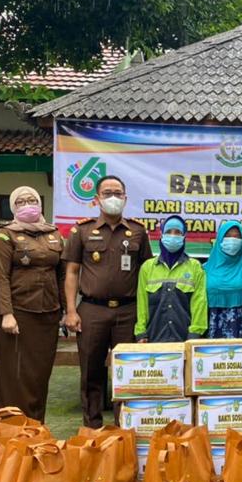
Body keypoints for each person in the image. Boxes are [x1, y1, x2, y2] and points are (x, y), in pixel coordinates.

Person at [62, 175, 152, 428]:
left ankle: (125, 426)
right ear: (96, 199)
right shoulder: (82, 230)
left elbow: (146, 272)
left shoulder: (137, 231)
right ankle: (93, 427)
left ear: (125, 198)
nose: (113, 197)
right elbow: (71, 272)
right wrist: (70, 310)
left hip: (129, 311)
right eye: (107, 193)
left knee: (128, 373)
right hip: (91, 310)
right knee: (91, 371)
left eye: (117, 193)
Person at [0, 187, 65, 422]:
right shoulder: (4, 235)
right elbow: (0, 277)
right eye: (21, 201)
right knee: (13, 375)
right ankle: (10, 429)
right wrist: (7, 314)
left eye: (32, 199)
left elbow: (62, 276)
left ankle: (35, 427)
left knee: (39, 375)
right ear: (13, 207)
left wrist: (64, 311)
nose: (27, 204)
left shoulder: (53, 234)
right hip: (18, 314)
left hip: (48, 314)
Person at [134, 215, 207, 343]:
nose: (173, 236)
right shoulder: (148, 267)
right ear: (161, 235)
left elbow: (199, 303)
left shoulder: (195, 267)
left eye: (178, 232)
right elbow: (142, 304)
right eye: (169, 232)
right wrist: (141, 333)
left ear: (184, 236)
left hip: (185, 339)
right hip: (153, 338)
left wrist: (195, 334)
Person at [203, 220, 242, 339]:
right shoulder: (204, 270)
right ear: (220, 239)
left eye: (237, 237)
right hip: (212, 336)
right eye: (228, 236)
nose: (232, 240)